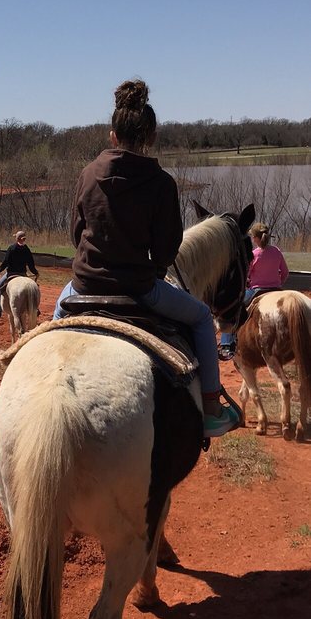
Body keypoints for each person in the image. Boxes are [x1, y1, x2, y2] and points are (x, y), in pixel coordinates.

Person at [53, 79, 239, 438]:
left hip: (83, 285)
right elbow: (167, 251)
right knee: (202, 318)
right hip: (139, 289)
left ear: (112, 135)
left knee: (49, 331)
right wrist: (150, 266)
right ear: (151, 137)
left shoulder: (87, 174)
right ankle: (211, 406)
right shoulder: (161, 183)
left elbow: (77, 235)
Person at [218, 222, 289, 359]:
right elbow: (285, 272)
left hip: (257, 291)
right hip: (276, 290)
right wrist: (278, 283)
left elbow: (247, 274)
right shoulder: (277, 251)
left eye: (252, 236)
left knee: (232, 310)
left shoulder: (254, 254)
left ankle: (227, 345)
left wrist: (247, 281)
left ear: (256, 238)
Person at [0, 231, 39, 317]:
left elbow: (6, 262)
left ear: (16, 239)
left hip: (11, 274)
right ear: (24, 239)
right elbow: (31, 264)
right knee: (33, 289)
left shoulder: (12, 248)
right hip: (22, 274)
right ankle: (36, 308)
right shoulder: (26, 249)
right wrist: (36, 272)